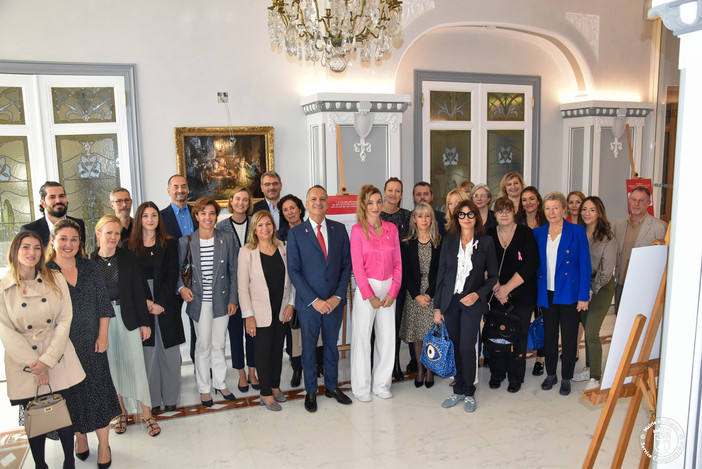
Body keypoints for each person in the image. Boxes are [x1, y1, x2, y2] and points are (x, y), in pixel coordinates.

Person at [0, 231, 85, 469]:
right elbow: (5, 331)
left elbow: (65, 320)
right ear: (15, 251)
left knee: (63, 415)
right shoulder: (3, 287)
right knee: (33, 417)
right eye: (25, 247)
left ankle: (69, 461)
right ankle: (40, 464)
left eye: (37, 247)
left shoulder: (56, 279)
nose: (32, 253)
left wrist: (47, 360)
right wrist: (35, 366)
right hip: (24, 362)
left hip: (56, 355)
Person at [46, 220, 120, 468]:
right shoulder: (44, 271)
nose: (69, 244)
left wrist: (103, 335)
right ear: (53, 240)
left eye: (74, 239)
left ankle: (104, 444)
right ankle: (80, 436)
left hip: (92, 342)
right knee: (73, 395)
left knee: (98, 391)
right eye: (63, 239)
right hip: (62, 347)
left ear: (80, 242)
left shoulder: (89, 267)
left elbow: (103, 304)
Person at [93, 215, 161, 436]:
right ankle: (121, 413)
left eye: (116, 233)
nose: (113, 237)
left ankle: (147, 415)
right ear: (98, 234)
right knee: (112, 368)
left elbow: (139, 290)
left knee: (135, 366)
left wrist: (145, 322)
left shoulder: (128, 257)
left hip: (129, 317)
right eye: (108, 232)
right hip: (103, 323)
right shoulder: (89, 262)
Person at [287, 185, 353, 412]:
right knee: (308, 349)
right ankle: (311, 391)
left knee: (331, 347)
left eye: (322, 199)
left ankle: (332, 387)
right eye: (313, 199)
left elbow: (346, 265)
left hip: (334, 303)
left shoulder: (339, 229)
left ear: (327, 203)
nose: (318, 202)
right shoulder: (296, 233)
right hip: (309, 305)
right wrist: (314, 300)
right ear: (307, 204)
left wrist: (336, 296)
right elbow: (294, 271)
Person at [434, 199, 498, 412]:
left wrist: (476, 295)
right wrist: (437, 307)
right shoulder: (449, 240)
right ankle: (458, 390)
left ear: (476, 217)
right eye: (461, 214)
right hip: (450, 303)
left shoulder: (486, 242)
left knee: (466, 347)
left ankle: (469, 391)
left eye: (470, 214)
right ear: (456, 218)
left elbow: (493, 278)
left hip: (471, 303)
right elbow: (441, 274)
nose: (466, 218)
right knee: (454, 347)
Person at [177, 197, 238, 407]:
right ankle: (204, 388)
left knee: (219, 344)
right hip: (199, 302)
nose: (208, 217)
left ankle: (220, 383)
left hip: (222, 299)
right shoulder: (186, 241)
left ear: (216, 216)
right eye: (203, 213)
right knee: (203, 345)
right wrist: (182, 288)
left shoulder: (227, 238)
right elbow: (178, 272)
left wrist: (233, 299)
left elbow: (233, 271)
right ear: (196, 216)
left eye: (212, 213)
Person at [127, 202, 185, 414]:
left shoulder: (168, 243)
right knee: (148, 355)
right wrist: (146, 302)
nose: (150, 220)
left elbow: (172, 275)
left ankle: (171, 398)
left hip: (166, 301)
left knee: (169, 352)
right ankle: (152, 401)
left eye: (154, 215)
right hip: (141, 300)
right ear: (139, 219)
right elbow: (131, 279)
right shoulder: (128, 246)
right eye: (145, 216)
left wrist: (160, 303)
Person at [533, 192, 591, 396]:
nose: (551, 212)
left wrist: (584, 296)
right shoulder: (538, 233)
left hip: (569, 293)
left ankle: (566, 377)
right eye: (547, 208)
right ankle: (551, 374)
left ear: (564, 209)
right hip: (546, 292)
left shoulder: (577, 231)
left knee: (568, 337)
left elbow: (585, 265)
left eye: (555, 208)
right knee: (549, 336)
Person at [238, 211, 295, 411]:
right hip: (259, 312)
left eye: (268, 224)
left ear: (273, 226)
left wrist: (291, 304)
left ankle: (275, 385)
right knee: (262, 352)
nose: (265, 228)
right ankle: (265, 393)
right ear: (254, 228)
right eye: (260, 225)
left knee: (277, 351)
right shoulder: (246, 252)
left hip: (281, 309)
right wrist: (248, 316)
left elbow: (292, 278)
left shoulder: (283, 247)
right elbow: (242, 287)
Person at [349, 185, 402, 402]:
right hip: (367, 289)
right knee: (362, 338)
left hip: (389, 287)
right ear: (363, 205)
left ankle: (381, 384)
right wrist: (370, 295)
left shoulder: (392, 228)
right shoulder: (357, 230)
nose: (375, 206)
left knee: (387, 338)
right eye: (370, 202)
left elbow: (398, 263)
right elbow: (357, 267)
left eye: (378, 201)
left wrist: (393, 291)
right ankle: (361, 387)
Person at [485, 198, 539, 393]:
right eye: (500, 211)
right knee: (497, 334)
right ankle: (496, 374)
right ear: (495, 214)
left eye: (508, 210)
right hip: (496, 293)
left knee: (518, 335)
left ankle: (516, 378)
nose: (504, 214)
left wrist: (507, 288)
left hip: (522, 294)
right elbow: (483, 263)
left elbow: (531, 264)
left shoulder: (526, 233)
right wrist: (497, 288)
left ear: (514, 211)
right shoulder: (489, 234)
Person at [277, 194, 324, 387]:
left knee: (317, 329)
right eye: (285, 210)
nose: (289, 212)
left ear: (300, 209)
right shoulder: (279, 235)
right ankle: (297, 369)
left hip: (312, 288)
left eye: (292, 208)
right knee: (293, 331)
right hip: (290, 289)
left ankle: (318, 364)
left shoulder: (311, 229)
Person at [216, 186, 258, 392]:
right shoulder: (221, 226)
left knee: (253, 331)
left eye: (245, 200)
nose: (241, 203)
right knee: (235, 333)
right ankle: (240, 373)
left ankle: (252, 371)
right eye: (237, 199)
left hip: (254, 288)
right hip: (231, 289)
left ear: (249, 204)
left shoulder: (255, 223)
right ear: (231, 201)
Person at [572, 196, 617, 390]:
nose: (587, 213)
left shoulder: (608, 237)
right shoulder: (578, 232)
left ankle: (596, 377)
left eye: (592, 210)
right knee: (584, 322)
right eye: (584, 209)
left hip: (601, 287)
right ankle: (589, 368)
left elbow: (606, 272)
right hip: (583, 286)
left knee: (591, 331)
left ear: (599, 212)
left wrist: (591, 290)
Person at [399, 203, 442, 388]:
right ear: (414, 219)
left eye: (427, 216)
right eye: (420, 216)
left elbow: (442, 271)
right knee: (417, 335)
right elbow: (405, 272)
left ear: (431, 219)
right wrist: (417, 295)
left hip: (433, 292)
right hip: (414, 294)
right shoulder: (407, 243)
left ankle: (430, 370)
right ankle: (419, 369)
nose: (424, 220)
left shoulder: (439, 241)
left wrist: (429, 294)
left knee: (431, 335)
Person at [160, 174, 197, 365]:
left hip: (198, 277)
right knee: (172, 323)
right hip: (172, 277)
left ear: (188, 189)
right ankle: (174, 365)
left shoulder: (198, 213)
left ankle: (198, 365)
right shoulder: (159, 217)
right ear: (169, 191)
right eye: (176, 187)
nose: (180, 190)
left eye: (183, 186)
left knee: (197, 324)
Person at [612, 187, 667, 312]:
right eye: (634, 199)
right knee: (620, 319)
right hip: (621, 283)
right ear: (629, 201)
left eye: (641, 201)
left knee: (640, 322)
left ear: (649, 203)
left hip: (645, 286)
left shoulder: (660, 227)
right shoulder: (618, 225)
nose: (636, 204)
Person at [380, 177, 411, 381]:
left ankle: (395, 364)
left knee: (396, 321)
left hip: (401, 276)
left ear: (401, 194)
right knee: (380, 323)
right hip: (380, 276)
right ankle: (379, 363)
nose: (393, 194)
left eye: (397, 191)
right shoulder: (375, 214)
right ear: (384, 191)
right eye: (390, 190)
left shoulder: (407, 216)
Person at [515, 185, 547, 375]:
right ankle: (519, 355)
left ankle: (540, 359)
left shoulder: (546, 221)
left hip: (543, 275)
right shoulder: (518, 222)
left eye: (531, 199)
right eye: (524, 200)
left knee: (542, 318)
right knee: (523, 319)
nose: (528, 203)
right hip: (524, 277)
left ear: (538, 200)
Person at [21, 181, 87, 246]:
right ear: (43, 203)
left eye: (61, 196)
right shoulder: (30, 230)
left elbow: (80, 254)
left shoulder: (78, 224)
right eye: (52, 197)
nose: (58, 200)